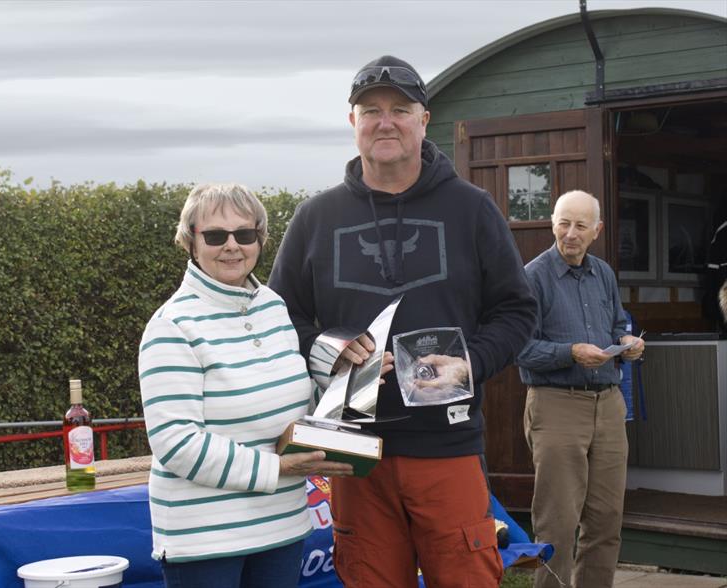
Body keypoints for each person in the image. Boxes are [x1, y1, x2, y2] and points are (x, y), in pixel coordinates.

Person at [268, 56, 537, 588]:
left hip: (447, 445)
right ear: (353, 122)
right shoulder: (314, 218)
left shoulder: (472, 209)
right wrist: (327, 348)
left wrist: (470, 364)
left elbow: (517, 309)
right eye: (371, 110)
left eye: (399, 109)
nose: (384, 122)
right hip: (353, 449)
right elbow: (281, 320)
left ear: (424, 120)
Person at [138, 183, 353, 588]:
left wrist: (346, 376)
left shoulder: (273, 305)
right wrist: (277, 468)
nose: (232, 246)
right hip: (205, 538)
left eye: (245, 234)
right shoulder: (172, 325)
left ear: (260, 238)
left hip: (282, 525)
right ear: (190, 242)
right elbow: (176, 442)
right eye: (216, 236)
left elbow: (296, 400)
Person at [516, 190, 645, 588]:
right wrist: (570, 353)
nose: (570, 233)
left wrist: (628, 345)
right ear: (552, 223)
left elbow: (617, 326)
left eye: (580, 226)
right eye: (563, 223)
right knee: (557, 523)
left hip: (608, 406)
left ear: (597, 231)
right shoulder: (532, 276)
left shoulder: (603, 273)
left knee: (606, 521)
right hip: (556, 405)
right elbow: (519, 348)